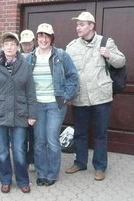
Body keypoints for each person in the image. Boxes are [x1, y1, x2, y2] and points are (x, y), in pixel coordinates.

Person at [65, 12, 125, 181]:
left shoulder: (106, 42)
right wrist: (68, 93)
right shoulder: (71, 47)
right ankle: (80, 162)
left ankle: (100, 167)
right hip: (80, 97)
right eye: (77, 25)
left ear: (91, 26)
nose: (78, 27)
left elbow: (121, 61)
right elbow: (67, 73)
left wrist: (109, 55)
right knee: (80, 133)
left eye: (82, 24)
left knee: (100, 134)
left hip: (101, 98)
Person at [0, 32, 37, 193]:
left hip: (20, 113)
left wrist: (32, 115)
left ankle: (22, 180)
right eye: (6, 44)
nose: (9, 47)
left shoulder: (25, 65)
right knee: (2, 150)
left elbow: (31, 92)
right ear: (2, 47)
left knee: (19, 150)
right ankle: (5, 180)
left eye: (12, 44)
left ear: (17, 47)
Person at [26, 23, 78, 186]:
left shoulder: (61, 56)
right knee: (39, 141)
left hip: (55, 105)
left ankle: (52, 174)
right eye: (40, 36)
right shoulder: (29, 58)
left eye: (46, 36)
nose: (43, 39)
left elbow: (73, 76)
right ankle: (41, 173)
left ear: (51, 38)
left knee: (52, 140)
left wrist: (66, 96)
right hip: (37, 105)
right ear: (36, 38)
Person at [20, 29, 36, 172]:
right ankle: (22, 160)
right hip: (20, 101)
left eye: (28, 43)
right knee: (22, 133)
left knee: (34, 133)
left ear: (33, 42)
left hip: (33, 100)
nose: (26, 46)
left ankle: (32, 160)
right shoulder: (16, 57)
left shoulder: (37, 56)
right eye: (24, 44)